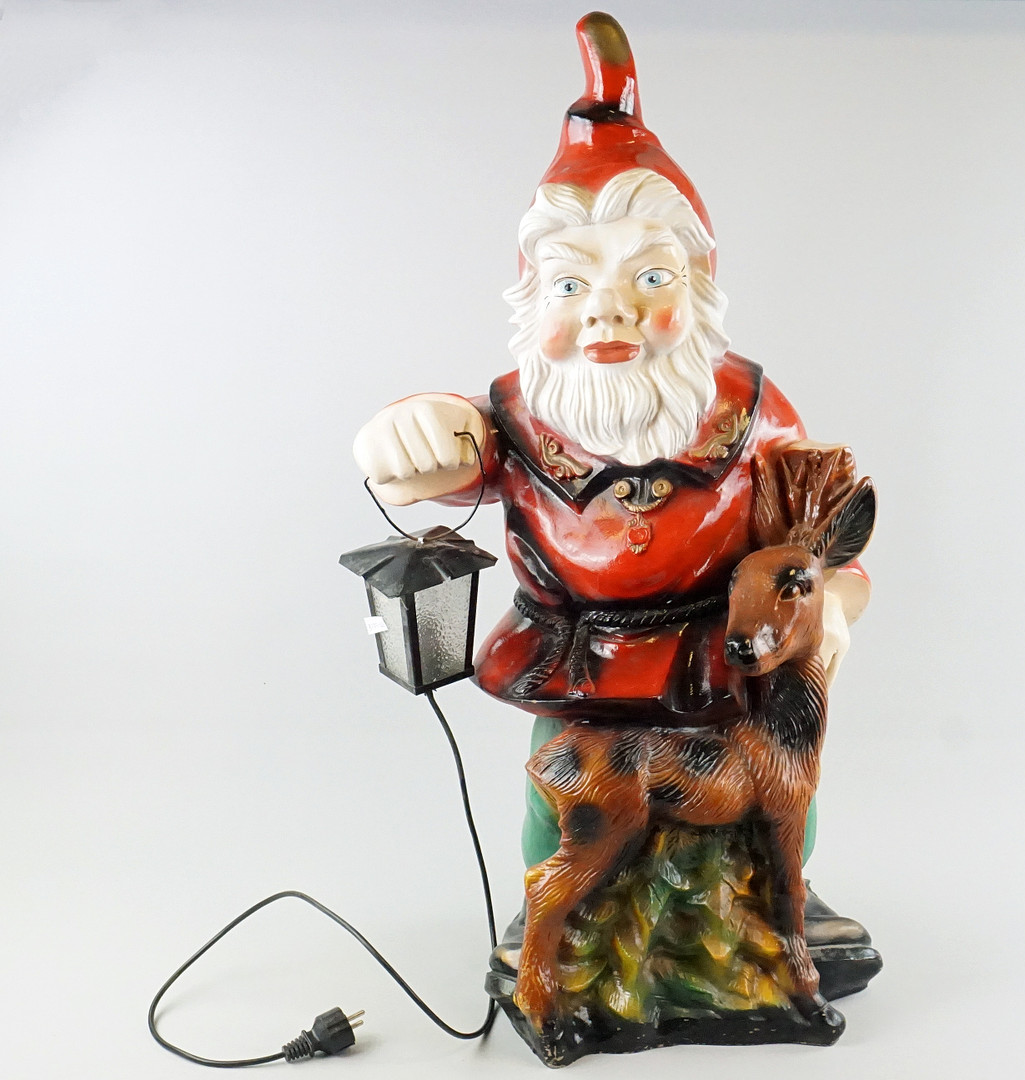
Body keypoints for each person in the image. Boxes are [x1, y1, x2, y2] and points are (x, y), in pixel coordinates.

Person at [354, 13, 880, 1001]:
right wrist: (401, 439)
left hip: (725, 649)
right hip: (580, 656)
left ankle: (780, 904)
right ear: (531, 300)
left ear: (701, 287)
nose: (609, 308)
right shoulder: (517, 416)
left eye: (650, 276)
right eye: (571, 281)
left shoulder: (752, 413)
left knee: (781, 787)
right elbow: (439, 463)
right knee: (559, 789)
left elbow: (824, 539)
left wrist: (833, 609)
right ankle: (557, 918)